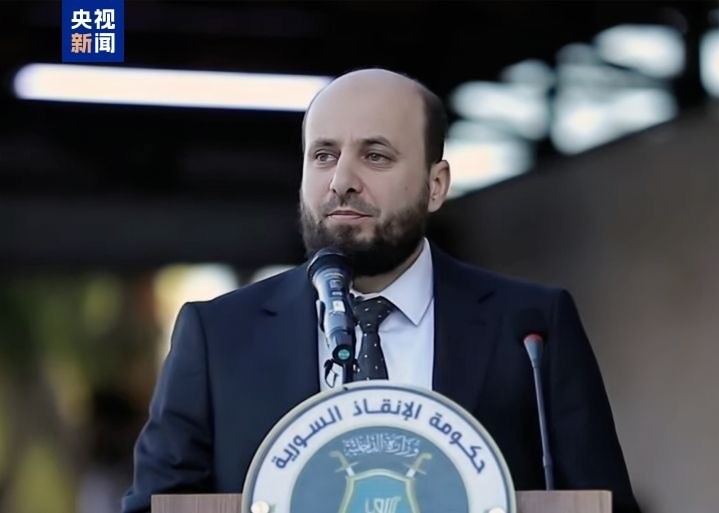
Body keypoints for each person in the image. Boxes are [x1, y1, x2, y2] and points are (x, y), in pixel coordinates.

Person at [122, 68, 641, 513]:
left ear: (436, 185)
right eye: (323, 155)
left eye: (375, 156)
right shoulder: (218, 337)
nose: (341, 180)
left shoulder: (532, 326)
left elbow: (603, 503)